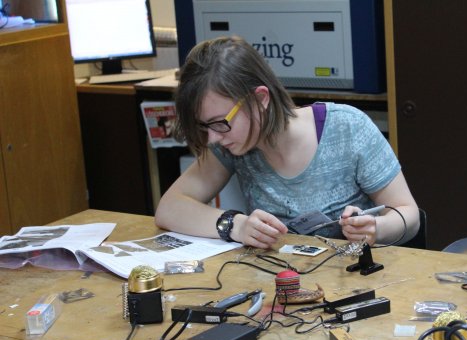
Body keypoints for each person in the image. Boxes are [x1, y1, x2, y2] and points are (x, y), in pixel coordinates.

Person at [155, 36, 419, 249]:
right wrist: (236, 225)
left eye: (219, 123)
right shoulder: (229, 145)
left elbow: (409, 214)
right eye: (205, 126)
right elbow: (169, 207)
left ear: (260, 99)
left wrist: (376, 228)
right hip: (281, 290)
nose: (212, 137)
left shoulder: (347, 128)